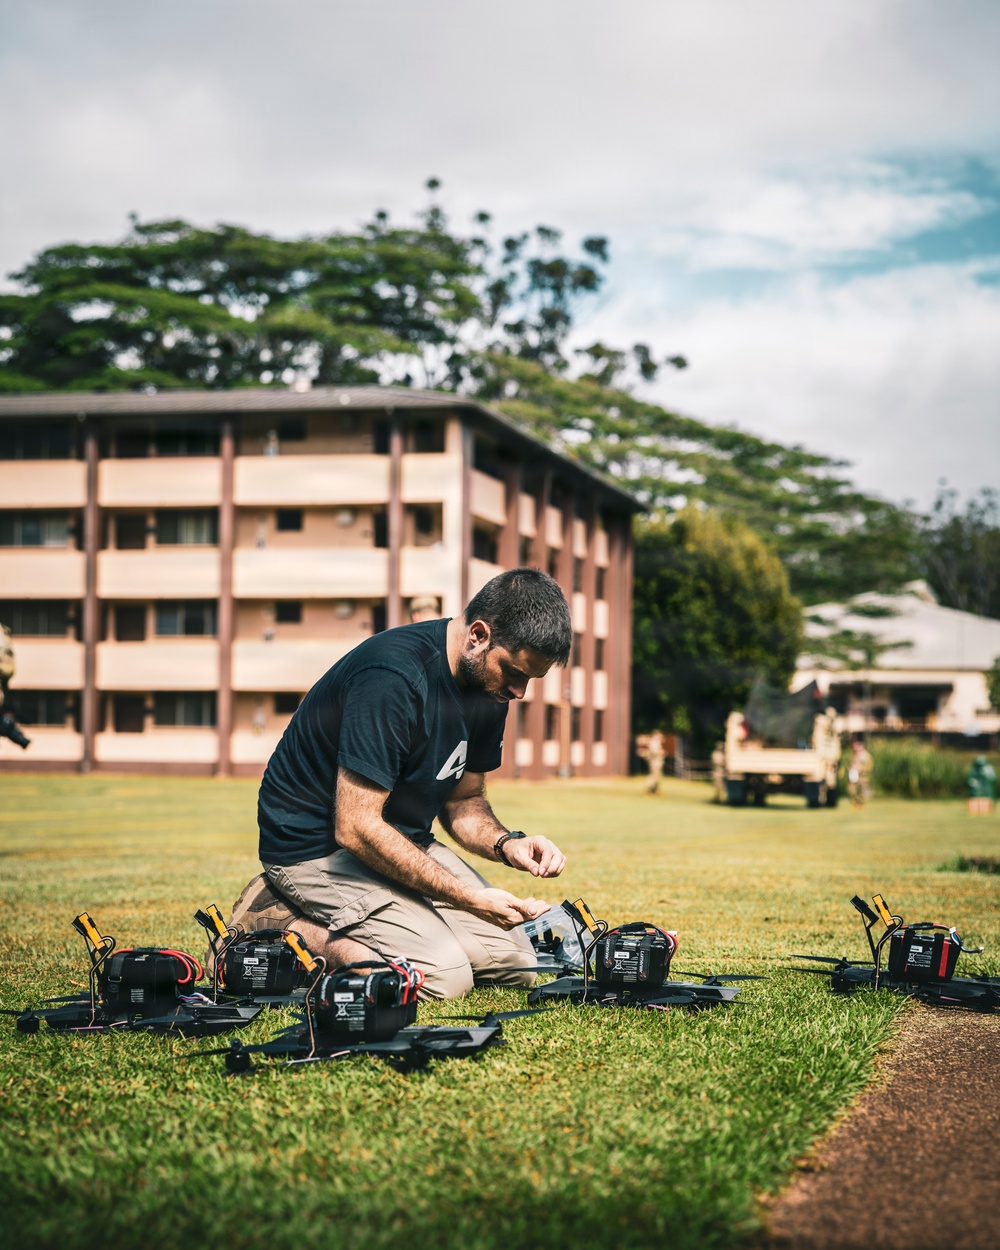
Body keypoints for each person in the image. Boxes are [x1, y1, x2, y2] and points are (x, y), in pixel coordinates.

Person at [222, 568, 572, 1000]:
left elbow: (464, 801)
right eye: (514, 672)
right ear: (478, 635)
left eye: (530, 680)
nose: (519, 691)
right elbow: (355, 827)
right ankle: (273, 920)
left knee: (516, 966)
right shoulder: (391, 677)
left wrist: (507, 844)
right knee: (444, 979)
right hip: (315, 849)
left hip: (401, 839)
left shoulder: (489, 689)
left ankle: (405, 928)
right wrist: (469, 898)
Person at [846, 738, 873, 808]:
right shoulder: (853, 755)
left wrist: (861, 769)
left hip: (863, 778)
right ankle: (855, 803)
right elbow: (848, 764)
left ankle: (861, 804)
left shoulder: (866, 756)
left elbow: (869, 767)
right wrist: (851, 768)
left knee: (862, 792)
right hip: (854, 777)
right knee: (852, 790)